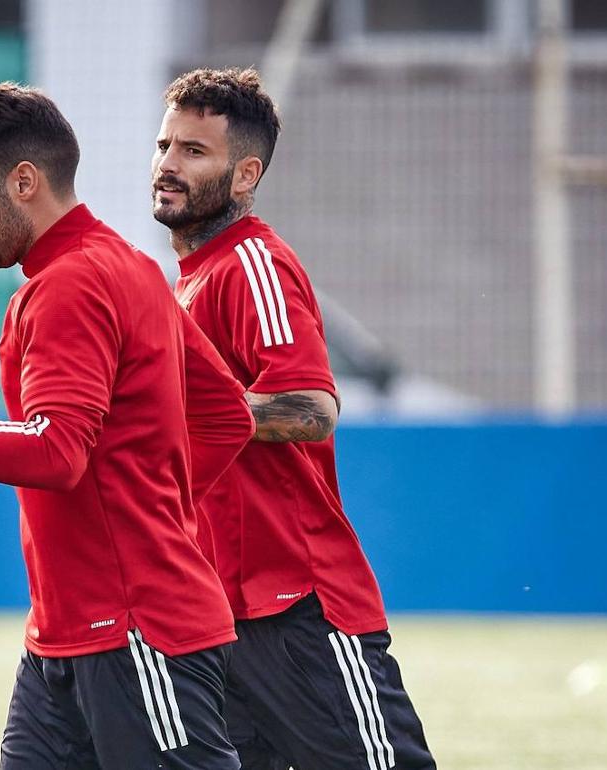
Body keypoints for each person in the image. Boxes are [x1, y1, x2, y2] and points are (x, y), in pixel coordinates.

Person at [0, 82, 255, 770]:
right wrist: (152, 512)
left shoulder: (66, 284)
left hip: (136, 634)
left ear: (24, 182)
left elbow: (57, 449)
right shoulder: (130, 266)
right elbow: (225, 415)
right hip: (69, 640)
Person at [151, 67, 437, 770]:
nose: (166, 165)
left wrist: (166, 409)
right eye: (164, 146)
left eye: (193, 151)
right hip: (220, 613)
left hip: (298, 608)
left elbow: (311, 411)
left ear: (245, 175)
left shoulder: (252, 264)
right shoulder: (188, 282)